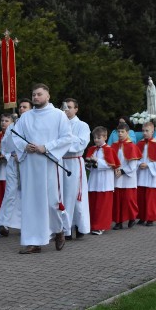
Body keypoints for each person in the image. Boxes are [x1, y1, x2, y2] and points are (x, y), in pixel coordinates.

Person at [12, 84, 73, 254]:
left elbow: (67, 138)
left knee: (51, 203)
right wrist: (25, 146)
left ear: (48, 96)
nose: (35, 97)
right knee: (31, 203)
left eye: (39, 94)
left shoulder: (59, 115)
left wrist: (46, 147)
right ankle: (34, 242)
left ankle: (59, 230)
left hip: (48, 164)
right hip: (30, 166)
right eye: (33, 94)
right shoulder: (25, 117)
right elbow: (16, 136)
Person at [0, 99, 33, 236]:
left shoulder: (33, 125)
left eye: (25, 107)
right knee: (10, 192)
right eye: (20, 107)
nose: (22, 109)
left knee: (27, 194)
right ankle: (3, 223)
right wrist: (9, 156)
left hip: (28, 162)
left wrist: (22, 154)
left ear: (30, 109)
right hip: (12, 161)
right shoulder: (12, 126)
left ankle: (27, 224)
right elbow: (4, 145)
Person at [61, 98, 91, 240]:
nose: (66, 110)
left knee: (75, 196)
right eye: (64, 107)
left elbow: (82, 143)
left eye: (69, 107)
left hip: (74, 162)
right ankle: (65, 228)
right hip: (61, 162)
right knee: (62, 195)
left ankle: (79, 226)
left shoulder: (82, 125)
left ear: (76, 109)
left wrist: (65, 142)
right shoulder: (59, 124)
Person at [85, 127, 121, 235]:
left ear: (105, 137)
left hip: (105, 181)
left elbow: (111, 164)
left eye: (98, 137)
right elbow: (89, 166)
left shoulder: (109, 150)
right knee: (93, 204)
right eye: (95, 138)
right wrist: (89, 164)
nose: (96, 140)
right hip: (94, 180)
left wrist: (97, 161)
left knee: (103, 205)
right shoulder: (92, 149)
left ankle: (101, 226)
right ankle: (92, 225)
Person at [111, 123, 142, 230]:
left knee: (129, 200)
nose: (120, 134)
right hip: (117, 176)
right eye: (118, 132)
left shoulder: (132, 146)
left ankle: (132, 218)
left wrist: (123, 171)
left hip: (128, 178)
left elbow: (133, 165)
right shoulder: (114, 145)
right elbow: (111, 160)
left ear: (127, 133)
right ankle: (118, 222)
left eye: (122, 131)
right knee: (118, 200)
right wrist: (115, 169)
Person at [136, 122, 156, 226]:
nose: (144, 133)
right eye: (143, 131)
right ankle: (142, 217)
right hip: (141, 174)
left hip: (151, 175)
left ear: (152, 132)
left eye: (147, 131)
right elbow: (135, 158)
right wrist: (139, 164)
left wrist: (148, 165)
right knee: (141, 197)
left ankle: (150, 218)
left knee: (151, 198)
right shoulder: (139, 144)